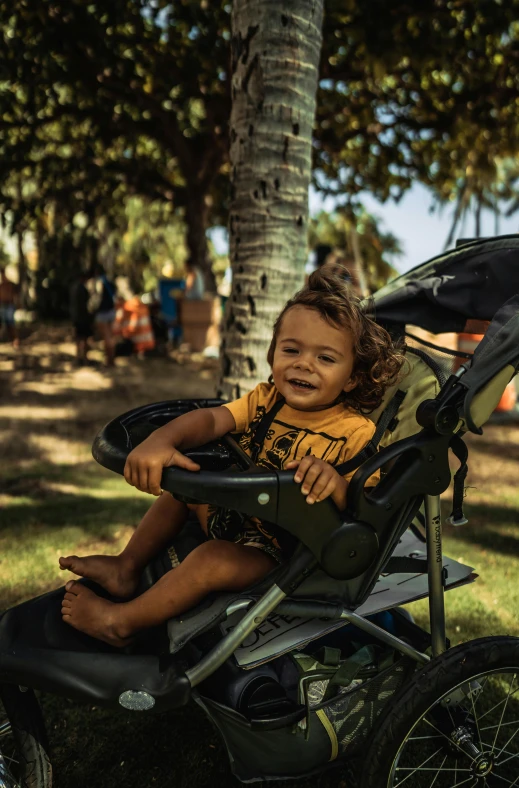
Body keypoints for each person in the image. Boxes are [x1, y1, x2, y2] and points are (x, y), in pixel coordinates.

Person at [58, 268, 404, 647]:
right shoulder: (266, 399)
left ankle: (121, 622)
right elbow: (210, 419)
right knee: (183, 484)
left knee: (212, 561)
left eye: (325, 358)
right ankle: (127, 565)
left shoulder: (355, 432)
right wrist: (162, 439)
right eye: (291, 350)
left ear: (352, 377)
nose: (304, 364)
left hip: (283, 553)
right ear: (273, 354)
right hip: (237, 513)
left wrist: (335, 484)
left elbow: (369, 508)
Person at [91, 265, 117, 367]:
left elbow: (97, 298)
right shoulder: (110, 282)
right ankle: (112, 359)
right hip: (111, 311)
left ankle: (108, 360)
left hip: (102, 313)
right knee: (111, 336)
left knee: (106, 338)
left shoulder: (99, 282)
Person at [69, 272, 93, 365]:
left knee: (78, 338)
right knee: (84, 338)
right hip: (83, 317)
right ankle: (84, 358)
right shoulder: (83, 289)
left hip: (76, 317)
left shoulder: (73, 288)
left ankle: (79, 356)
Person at [0, 268, 19, 348]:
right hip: (2, 305)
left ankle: (15, 340)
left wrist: (17, 303)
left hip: (9, 305)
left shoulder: (10, 284)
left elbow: (15, 295)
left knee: (10, 324)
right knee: (2, 324)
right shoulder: (1, 285)